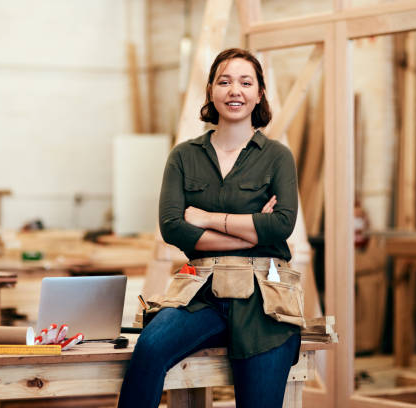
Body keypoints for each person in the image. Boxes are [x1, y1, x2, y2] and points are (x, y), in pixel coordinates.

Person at [117, 48, 305, 408]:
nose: (235, 90)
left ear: (259, 94)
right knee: (150, 348)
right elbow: (173, 227)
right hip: (200, 291)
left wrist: (203, 218)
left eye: (245, 82)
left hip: (264, 296)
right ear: (211, 90)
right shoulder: (184, 156)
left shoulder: (277, 156)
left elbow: (280, 226)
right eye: (225, 81)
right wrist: (250, 230)